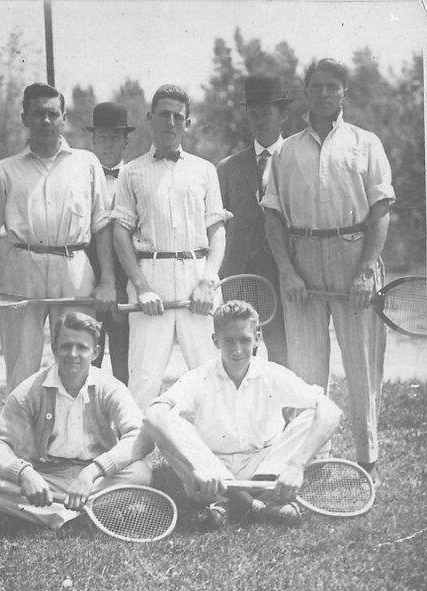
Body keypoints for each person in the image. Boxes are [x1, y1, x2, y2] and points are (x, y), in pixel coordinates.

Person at [263, 59, 395, 484]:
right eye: (316, 86)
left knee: (361, 363)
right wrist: (287, 270)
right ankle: (308, 461)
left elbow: (381, 210)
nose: (324, 94)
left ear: (344, 93)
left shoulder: (366, 142)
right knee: (304, 370)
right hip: (302, 260)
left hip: (354, 255)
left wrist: (366, 269)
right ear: (306, 91)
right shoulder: (285, 150)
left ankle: (367, 460)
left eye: (332, 87)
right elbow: (272, 216)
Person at [0, 82, 117, 391]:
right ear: (25, 118)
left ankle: (78, 435)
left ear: (64, 117)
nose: (46, 121)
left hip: (74, 268)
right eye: (38, 114)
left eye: (53, 113)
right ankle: (20, 438)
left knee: (79, 359)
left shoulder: (86, 163)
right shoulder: (5, 171)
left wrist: (107, 280)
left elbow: (102, 227)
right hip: (23, 270)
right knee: (21, 367)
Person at [143, 301, 342, 528]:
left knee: (313, 417)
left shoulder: (272, 373)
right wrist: (199, 465)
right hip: (213, 469)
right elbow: (153, 416)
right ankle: (261, 505)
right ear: (216, 340)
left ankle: (232, 505)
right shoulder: (199, 377)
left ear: (257, 338)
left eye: (245, 340)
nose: (237, 350)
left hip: (265, 465)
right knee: (167, 424)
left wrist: (296, 465)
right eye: (229, 341)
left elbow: (332, 411)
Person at [0, 312, 152, 530]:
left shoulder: (109, 388)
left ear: (96, 352)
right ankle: (76, 514)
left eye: (82, 347)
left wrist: (93, 472)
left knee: (141, 474)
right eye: (65, 346)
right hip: (45, 476)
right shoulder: (30, 390)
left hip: (94, 477)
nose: (72, 354)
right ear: (54, 349)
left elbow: (140, 438)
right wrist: (24, 473)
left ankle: (54, 513)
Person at [113, 83, 230, 410]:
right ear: (150, 118)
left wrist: (208, 282)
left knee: (210, 374)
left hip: (198, 279)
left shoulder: (205, 170)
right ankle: (135, 458)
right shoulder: (131, 172)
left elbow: (217, 232)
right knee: (144, 380)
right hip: (151, 277)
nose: (170, 122)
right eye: (163, 114)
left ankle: (218, 454)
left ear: (187, 123)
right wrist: (141, 286)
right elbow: (120, 234)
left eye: (178, 116)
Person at [217, 74, 291, 365]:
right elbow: (219, 225)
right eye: (254, 114)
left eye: (267, 113)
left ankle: (282, 411)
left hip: (281, 274)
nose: (260, 120)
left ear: (282, 114)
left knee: (282, 353)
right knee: (240, 354)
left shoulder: (295, 158)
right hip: (238, 277)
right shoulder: (228, 167)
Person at [85, 102, 134, 384]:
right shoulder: (81, 177)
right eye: (102, 137)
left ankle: (125, 423)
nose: (107, 144)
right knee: (89, 353)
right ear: (93, 140)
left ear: (126, 141)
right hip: (88, 278)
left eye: (114, 137)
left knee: (125, 359)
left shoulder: (136, 176)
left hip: (126, 280)